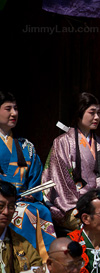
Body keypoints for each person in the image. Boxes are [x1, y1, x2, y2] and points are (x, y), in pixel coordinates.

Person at [42, 92, 100, 244]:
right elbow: (60, 180)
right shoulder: (62, 143)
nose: (97, 117)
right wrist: (86, 202)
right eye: (92, 112)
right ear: (79, 112)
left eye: (99, 113)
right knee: (96, 217)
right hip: (72, 206)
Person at [0, 91, 56, 260]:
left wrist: (32, 194)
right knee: (23, 213)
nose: (14, 113)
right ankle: (23, 261)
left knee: (42, 211)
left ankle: (48, 262)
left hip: (23, 200)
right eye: (8, 108)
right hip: (3, 203)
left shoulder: (27, 146)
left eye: (16, 109)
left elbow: (35, 178)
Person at [0, 181, 42, 273]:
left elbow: (38, 272)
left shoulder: (21, 244)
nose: (6, 212)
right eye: (0, 206)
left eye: (11, 206)